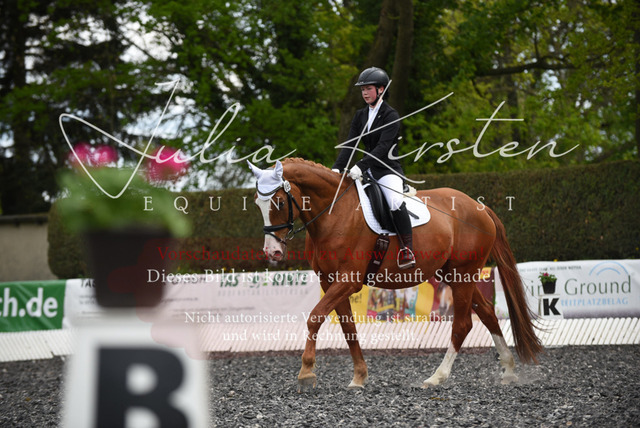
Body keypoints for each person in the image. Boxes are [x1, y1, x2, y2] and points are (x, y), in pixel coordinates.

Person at [332, 66, 415, 269]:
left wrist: (360, 166)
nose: (365, 93)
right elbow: (351, 144)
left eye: (368, 88)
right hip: (366, 171)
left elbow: (383, 147)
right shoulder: (360, 115)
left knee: (394, 201)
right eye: (362, 89)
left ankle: (407, 249)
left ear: (381, 89)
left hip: (387, 170)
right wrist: (336, 169)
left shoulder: (391, 115)